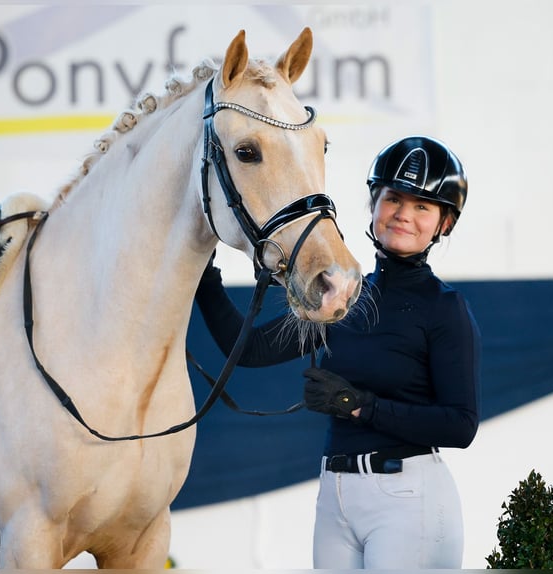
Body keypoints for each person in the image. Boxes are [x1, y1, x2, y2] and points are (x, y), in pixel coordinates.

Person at [194, 135, 481, 569]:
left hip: (407, 500)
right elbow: (251, 350)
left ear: (444, 223)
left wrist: (360, 406)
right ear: (374, 204)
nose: (403, 214)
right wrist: (204, 278)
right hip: (336, 495)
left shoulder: (444, 308)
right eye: (394, 199)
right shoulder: (343, 294)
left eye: (422, 206)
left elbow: (460, 426)